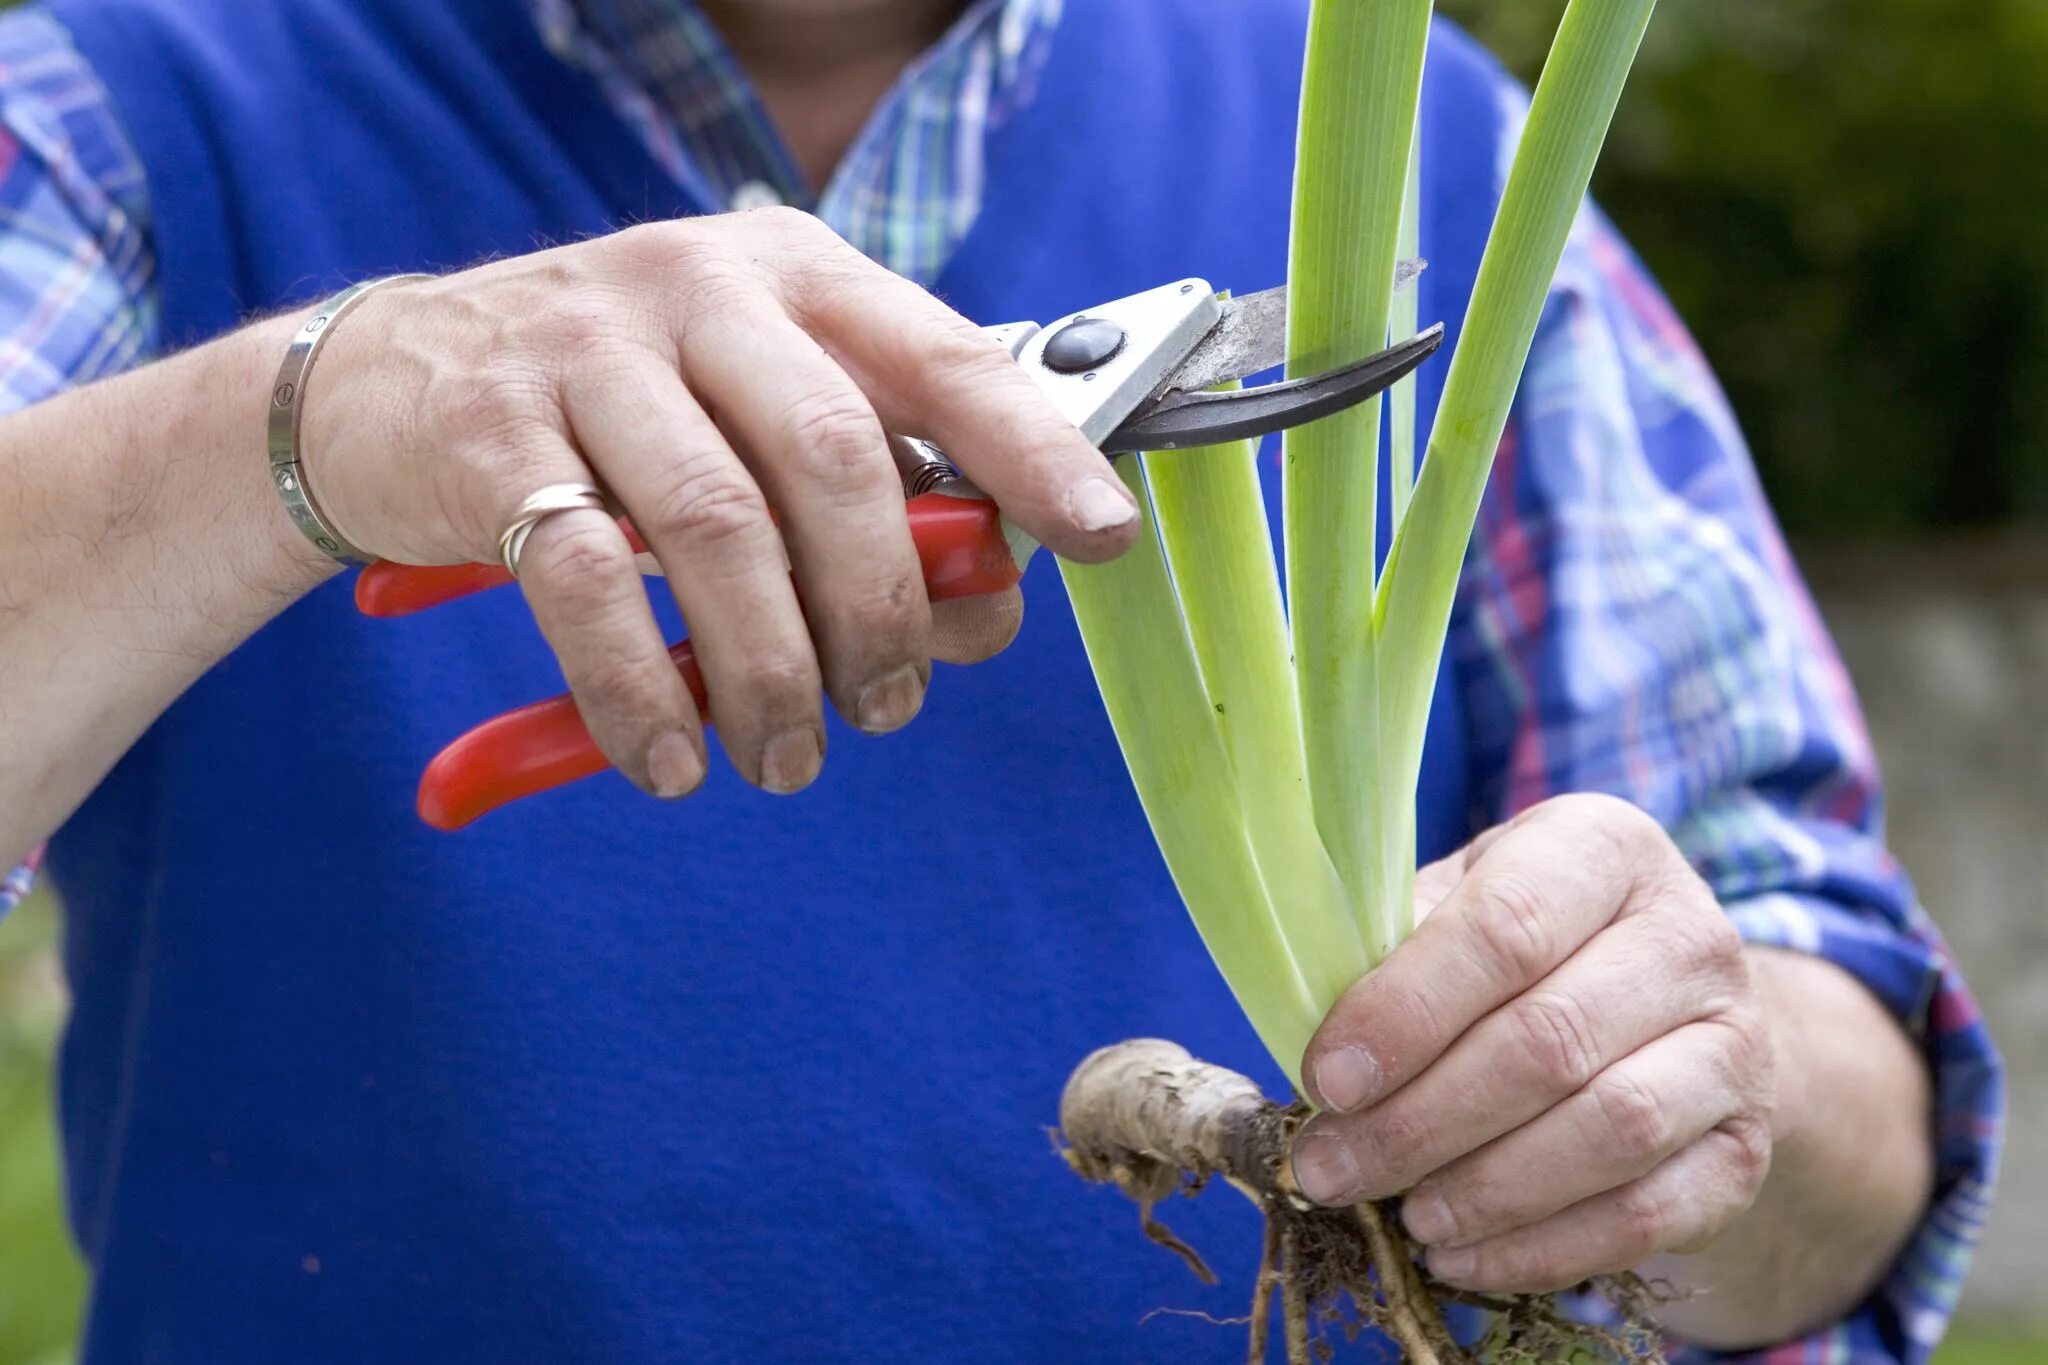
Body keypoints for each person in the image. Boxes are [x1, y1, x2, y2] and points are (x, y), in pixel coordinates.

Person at [0, 0, 2002, 1360]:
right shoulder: (111, 101)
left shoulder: (1428, 161)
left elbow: (1829, 1029)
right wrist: (294, 429)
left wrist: (1696, 1087)